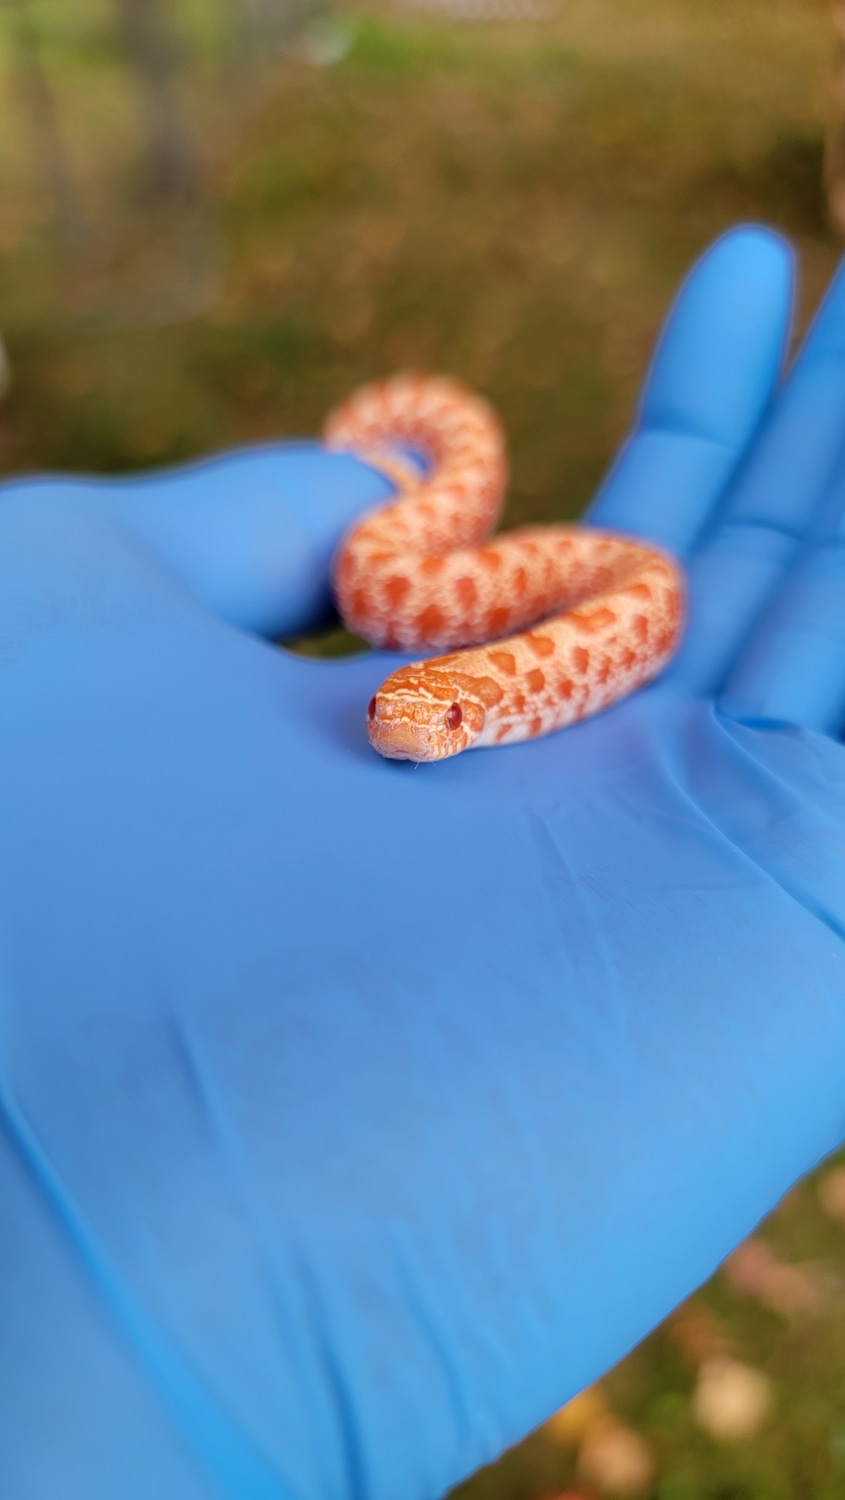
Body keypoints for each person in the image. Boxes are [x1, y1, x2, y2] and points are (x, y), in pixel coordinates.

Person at [1, 226, 844, 1500]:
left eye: (437, 714)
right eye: (410, 702)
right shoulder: (424, 684)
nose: (405, 722)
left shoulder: (516, 677)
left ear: (482, 710)